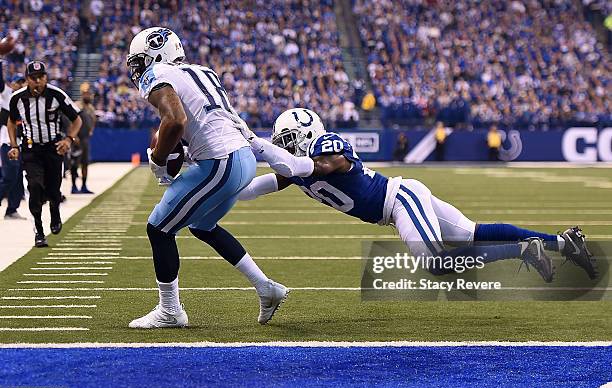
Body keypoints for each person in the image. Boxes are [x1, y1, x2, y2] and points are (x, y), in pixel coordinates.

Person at [233, 108, 597, 282]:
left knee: (438, 264)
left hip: (400, 201)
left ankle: (524, 248)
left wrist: (259, 145)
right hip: (402, 201)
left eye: (285, 140)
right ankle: (563, 243)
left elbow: (313, 168)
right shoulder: (296, 167)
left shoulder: (326, 147)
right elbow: (251, 190)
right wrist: (221, 189)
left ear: (302, 134)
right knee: (471, 233)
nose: (282, 147)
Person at [125, 27, 288, 329]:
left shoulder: (157, 73)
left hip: (221, 161)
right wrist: (182, 152)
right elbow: (204, 122)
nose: (138, 70)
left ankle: (170, 310)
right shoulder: (201, 71)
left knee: (158, 229)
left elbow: (175, 120)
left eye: (140, 61)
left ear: (156, 54)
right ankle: (266, 288)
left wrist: (159, 160)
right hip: (242, 157)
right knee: (202, 226)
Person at [7, 61, 82, 247]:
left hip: (53, 148)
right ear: (27, 79)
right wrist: (14, 145)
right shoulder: (17, 98)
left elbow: (77, 119)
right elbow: (11, 122)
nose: (38, 82)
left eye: (41, 77)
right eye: (34, 78)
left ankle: (55, 209)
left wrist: (68, 140)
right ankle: (39, 232)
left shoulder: (56, 95)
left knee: (53, 190)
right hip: (31, 150)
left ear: (46, 77)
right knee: (34, 187)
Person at [0, 62, 25, 219]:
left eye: (22, 82)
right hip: (7, 142)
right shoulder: (6, 94)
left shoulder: (25, 98)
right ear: (12, 84)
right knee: (10, 175)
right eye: (17, 82)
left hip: (20, 142)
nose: (20, 85)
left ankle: (12, 209)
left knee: (17, 177)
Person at [71, 83, 97, 193]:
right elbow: (70, 120)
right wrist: (73, 135)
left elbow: (94, 120)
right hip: (77, 138)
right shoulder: (76, 106)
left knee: (85, 163)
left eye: (89, 94)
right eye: (86, 94)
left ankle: (84, 186)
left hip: (85, 138)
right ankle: (73, 186)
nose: (88, 96)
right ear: (82, 94)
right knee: (75, 163)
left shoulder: (91, 108)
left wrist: (91, 130)